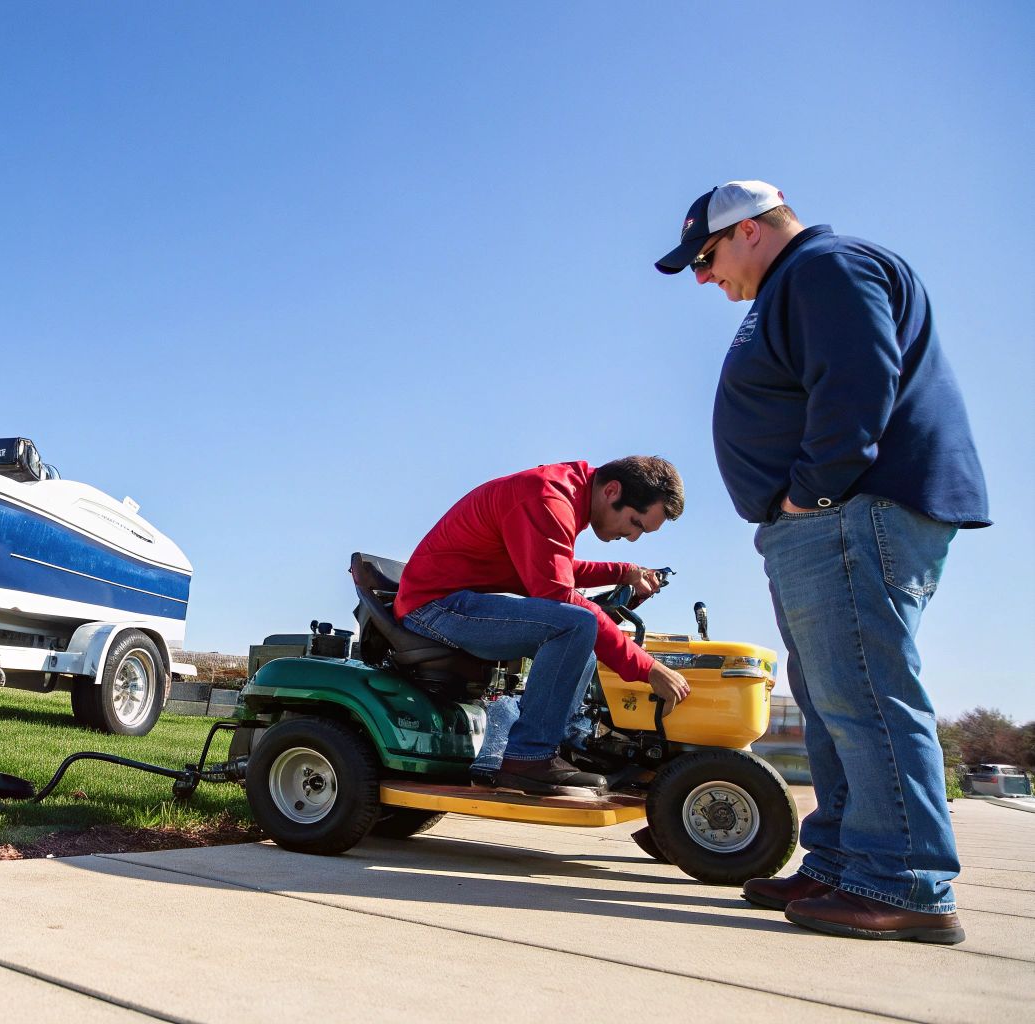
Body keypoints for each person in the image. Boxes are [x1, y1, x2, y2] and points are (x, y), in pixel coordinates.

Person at [657, 181, 989, 944]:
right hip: (828, 521)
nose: (705, 279)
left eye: (705, 259)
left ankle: (903, 880)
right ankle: (843, 861)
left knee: (864, 694)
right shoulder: (798, 280)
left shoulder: (823, 266)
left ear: (749, 232)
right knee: (833, 699)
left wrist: (812, 492)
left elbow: (859, 380)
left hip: (848, 513)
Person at [394, 457, 692, 796]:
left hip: (455, 601)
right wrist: (648, 668)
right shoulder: (548, 498)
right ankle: (528, 757)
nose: (634, 537)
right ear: (612, 491)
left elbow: (552, 566)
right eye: (635, 522)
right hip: (434, 607)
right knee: (575, 623)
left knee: (582, 631)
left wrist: (623, 572)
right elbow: (556, 595)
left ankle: (562, 746)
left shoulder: (564, 493)